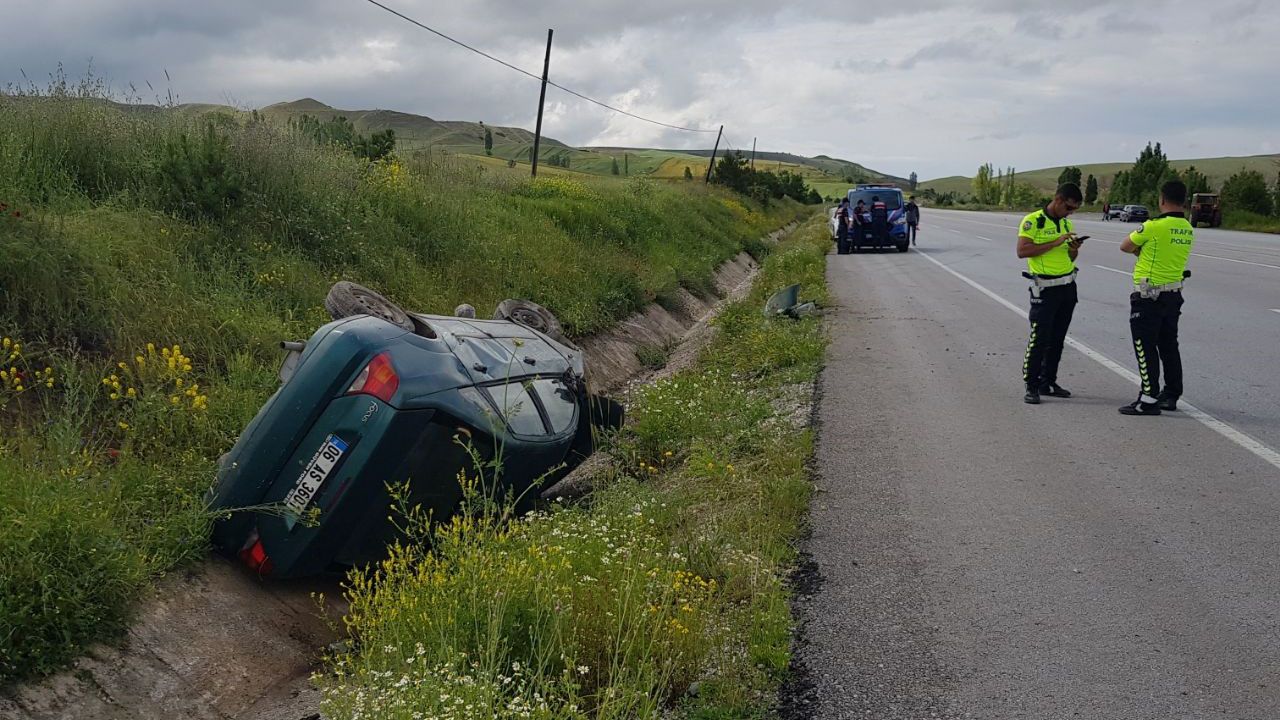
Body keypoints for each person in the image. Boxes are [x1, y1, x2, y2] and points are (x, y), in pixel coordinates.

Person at [1117, 180, 1194, 416]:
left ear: (1162, 199)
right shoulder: (1187, 228)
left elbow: (1125, 246)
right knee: (1169, 345)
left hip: (1149, 296)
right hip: (1173, 294)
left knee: (1145, 345)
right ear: (1184, 201)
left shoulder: (1153, 226)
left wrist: (1142, 251)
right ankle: (1171, 394)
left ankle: (1148, 398)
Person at [1016, 183, 1084, 405]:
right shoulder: (1033, 221)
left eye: (1074, 210)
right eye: (1068, 207)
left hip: (1066, 287)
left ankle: (1048, 382)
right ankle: (1032, 385)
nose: (1070, 213)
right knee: (1039, 338)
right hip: (1044, 288)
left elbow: (1069, 258)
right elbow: (1022, 251)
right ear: (1057, 199)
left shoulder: (1066, 223)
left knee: (1057, 339)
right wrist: (1055, 242)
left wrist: (1073, 248)